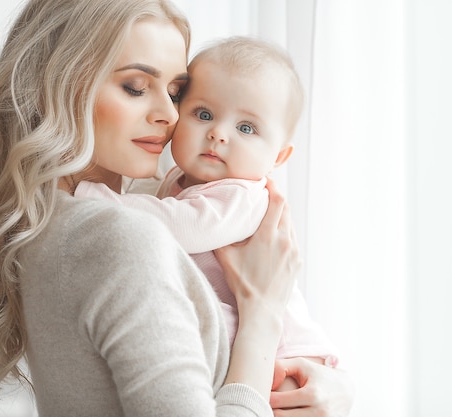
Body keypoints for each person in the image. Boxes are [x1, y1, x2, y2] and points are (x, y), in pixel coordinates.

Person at [0, 0, 354, 416]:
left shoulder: (46, 223)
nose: (170, 115)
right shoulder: (123, 235)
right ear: (58, 84)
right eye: (135, 87)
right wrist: (262, 317)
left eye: (175, 93)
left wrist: (335, 386)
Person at [75, 37, 340, 383]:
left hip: (284, 351)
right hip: (241, 332)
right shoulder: (178, 178)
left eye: (246, 128)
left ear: (277, 157)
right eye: (203, 114)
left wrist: (96, 198)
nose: (217, 133)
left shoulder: (244, 195)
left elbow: (179, 226)